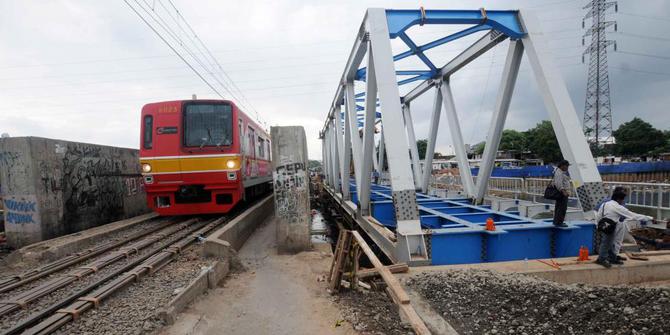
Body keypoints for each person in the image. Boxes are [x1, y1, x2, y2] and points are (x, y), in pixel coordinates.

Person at [595, 188, 653, 268]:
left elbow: (599, 215)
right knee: (606, 243)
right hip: (610, 226)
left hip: (603, 225)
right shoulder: (618, 207)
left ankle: (612, 257)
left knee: (610, 242)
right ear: (619, 199)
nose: (623, 201)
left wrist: (598, 225)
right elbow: (633, 215)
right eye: (622, 199)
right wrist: (649, 218)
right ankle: (601, 259)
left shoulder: (606, 203)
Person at [552, 160, 571, 228]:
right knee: (561, 208)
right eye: (567, 166)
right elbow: (558, 184)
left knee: (560, 208)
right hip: (562, 194)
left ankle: (557, 221)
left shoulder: (560, 172)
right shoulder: (559, 173)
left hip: (562, 193)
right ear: (562, 165)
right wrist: (563, 191)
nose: (567, 167)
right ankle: (559, 222)